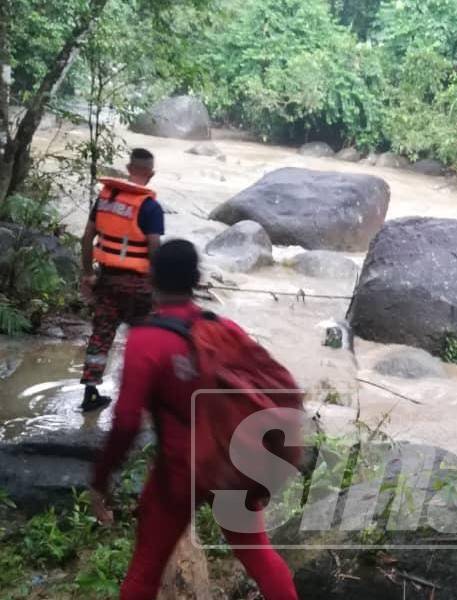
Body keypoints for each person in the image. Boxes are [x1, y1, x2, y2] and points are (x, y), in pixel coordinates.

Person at [89, 239, 298, 600]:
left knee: (145, 569)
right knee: (258, 556)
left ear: (151, 278)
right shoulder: (222, 328)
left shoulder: (145, 341)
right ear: (197, 279)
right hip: (229, 465)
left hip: (177, 475)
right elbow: (279, 386)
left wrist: (101, 480)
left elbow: (125, 423)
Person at [79, 148, 163, 412]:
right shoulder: (150, 206)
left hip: (107, 280)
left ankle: (90, 393)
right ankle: (144, 393)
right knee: (147, 338)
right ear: (150, 174)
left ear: (128, 168)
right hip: (139, 287)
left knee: (101, 336)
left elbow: (86, 239)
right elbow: (154, 249)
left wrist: (87, 273)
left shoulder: (104, 199)